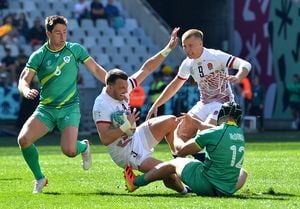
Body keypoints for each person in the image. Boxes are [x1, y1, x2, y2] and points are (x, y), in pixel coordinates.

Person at [17, 15, 107, 194]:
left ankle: (84, 146)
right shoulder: (39, 56)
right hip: (47, 109)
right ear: (48, 33)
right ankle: (40, 178)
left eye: (65, 32)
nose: (62, 36)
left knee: (69, 151)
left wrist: (112, 84)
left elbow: (96, 69)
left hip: (69, 108)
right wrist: (26, 91)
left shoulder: (75, 50)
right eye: (57, 33)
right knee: (24, 140)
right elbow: (23, 80)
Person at [92, 27, 188, 193]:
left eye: (126, 86)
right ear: (109, 86)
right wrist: (125, 125)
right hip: (125, 152)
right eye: (121, 87)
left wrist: (168, 48)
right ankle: (186, 190)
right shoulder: (101, 105)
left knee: (171, 121)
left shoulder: (125, 86)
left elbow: (147, 68)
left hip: (137, 136)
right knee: (170, 172)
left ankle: (178, 157)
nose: (125, 89)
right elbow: (105, 139)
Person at [146, 29, 251, 160]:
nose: (187, 49)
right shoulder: (188, 64)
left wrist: (238, 76)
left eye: (190, 45)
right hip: (204, 103)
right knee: (179, 133)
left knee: (204, 133)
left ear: (200, 43)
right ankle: (181, 167)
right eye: (184, 46)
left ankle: (205, 167)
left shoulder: (215, 56)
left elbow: (245, 64)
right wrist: (156, 104)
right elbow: (174, 86)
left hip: (223, 104)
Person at [125, 101, 248, 197]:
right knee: (243, 172)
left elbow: (180, 150)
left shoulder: (213, 133)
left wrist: (178, 134)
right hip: (228, 188)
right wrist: (196, 123)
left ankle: (135, 182)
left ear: (221, 114)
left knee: (175, 163)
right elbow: (215, 130)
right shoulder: (240, 133)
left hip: (208, 185)